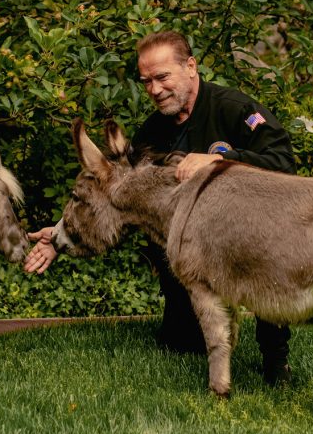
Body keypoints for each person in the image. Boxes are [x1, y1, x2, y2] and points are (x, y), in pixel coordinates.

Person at [25, 30, 296, 385]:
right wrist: (60, 234)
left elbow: (282, 161)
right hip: (190, 253)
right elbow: (111, 189)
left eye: (162, 77)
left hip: (249, 235)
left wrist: (220, 159)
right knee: (182, 344)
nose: (154, 90)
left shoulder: (234, 109)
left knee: (264, 257)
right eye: (146, 81)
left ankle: (276, 360)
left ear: (191, 67)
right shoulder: (152, 131)